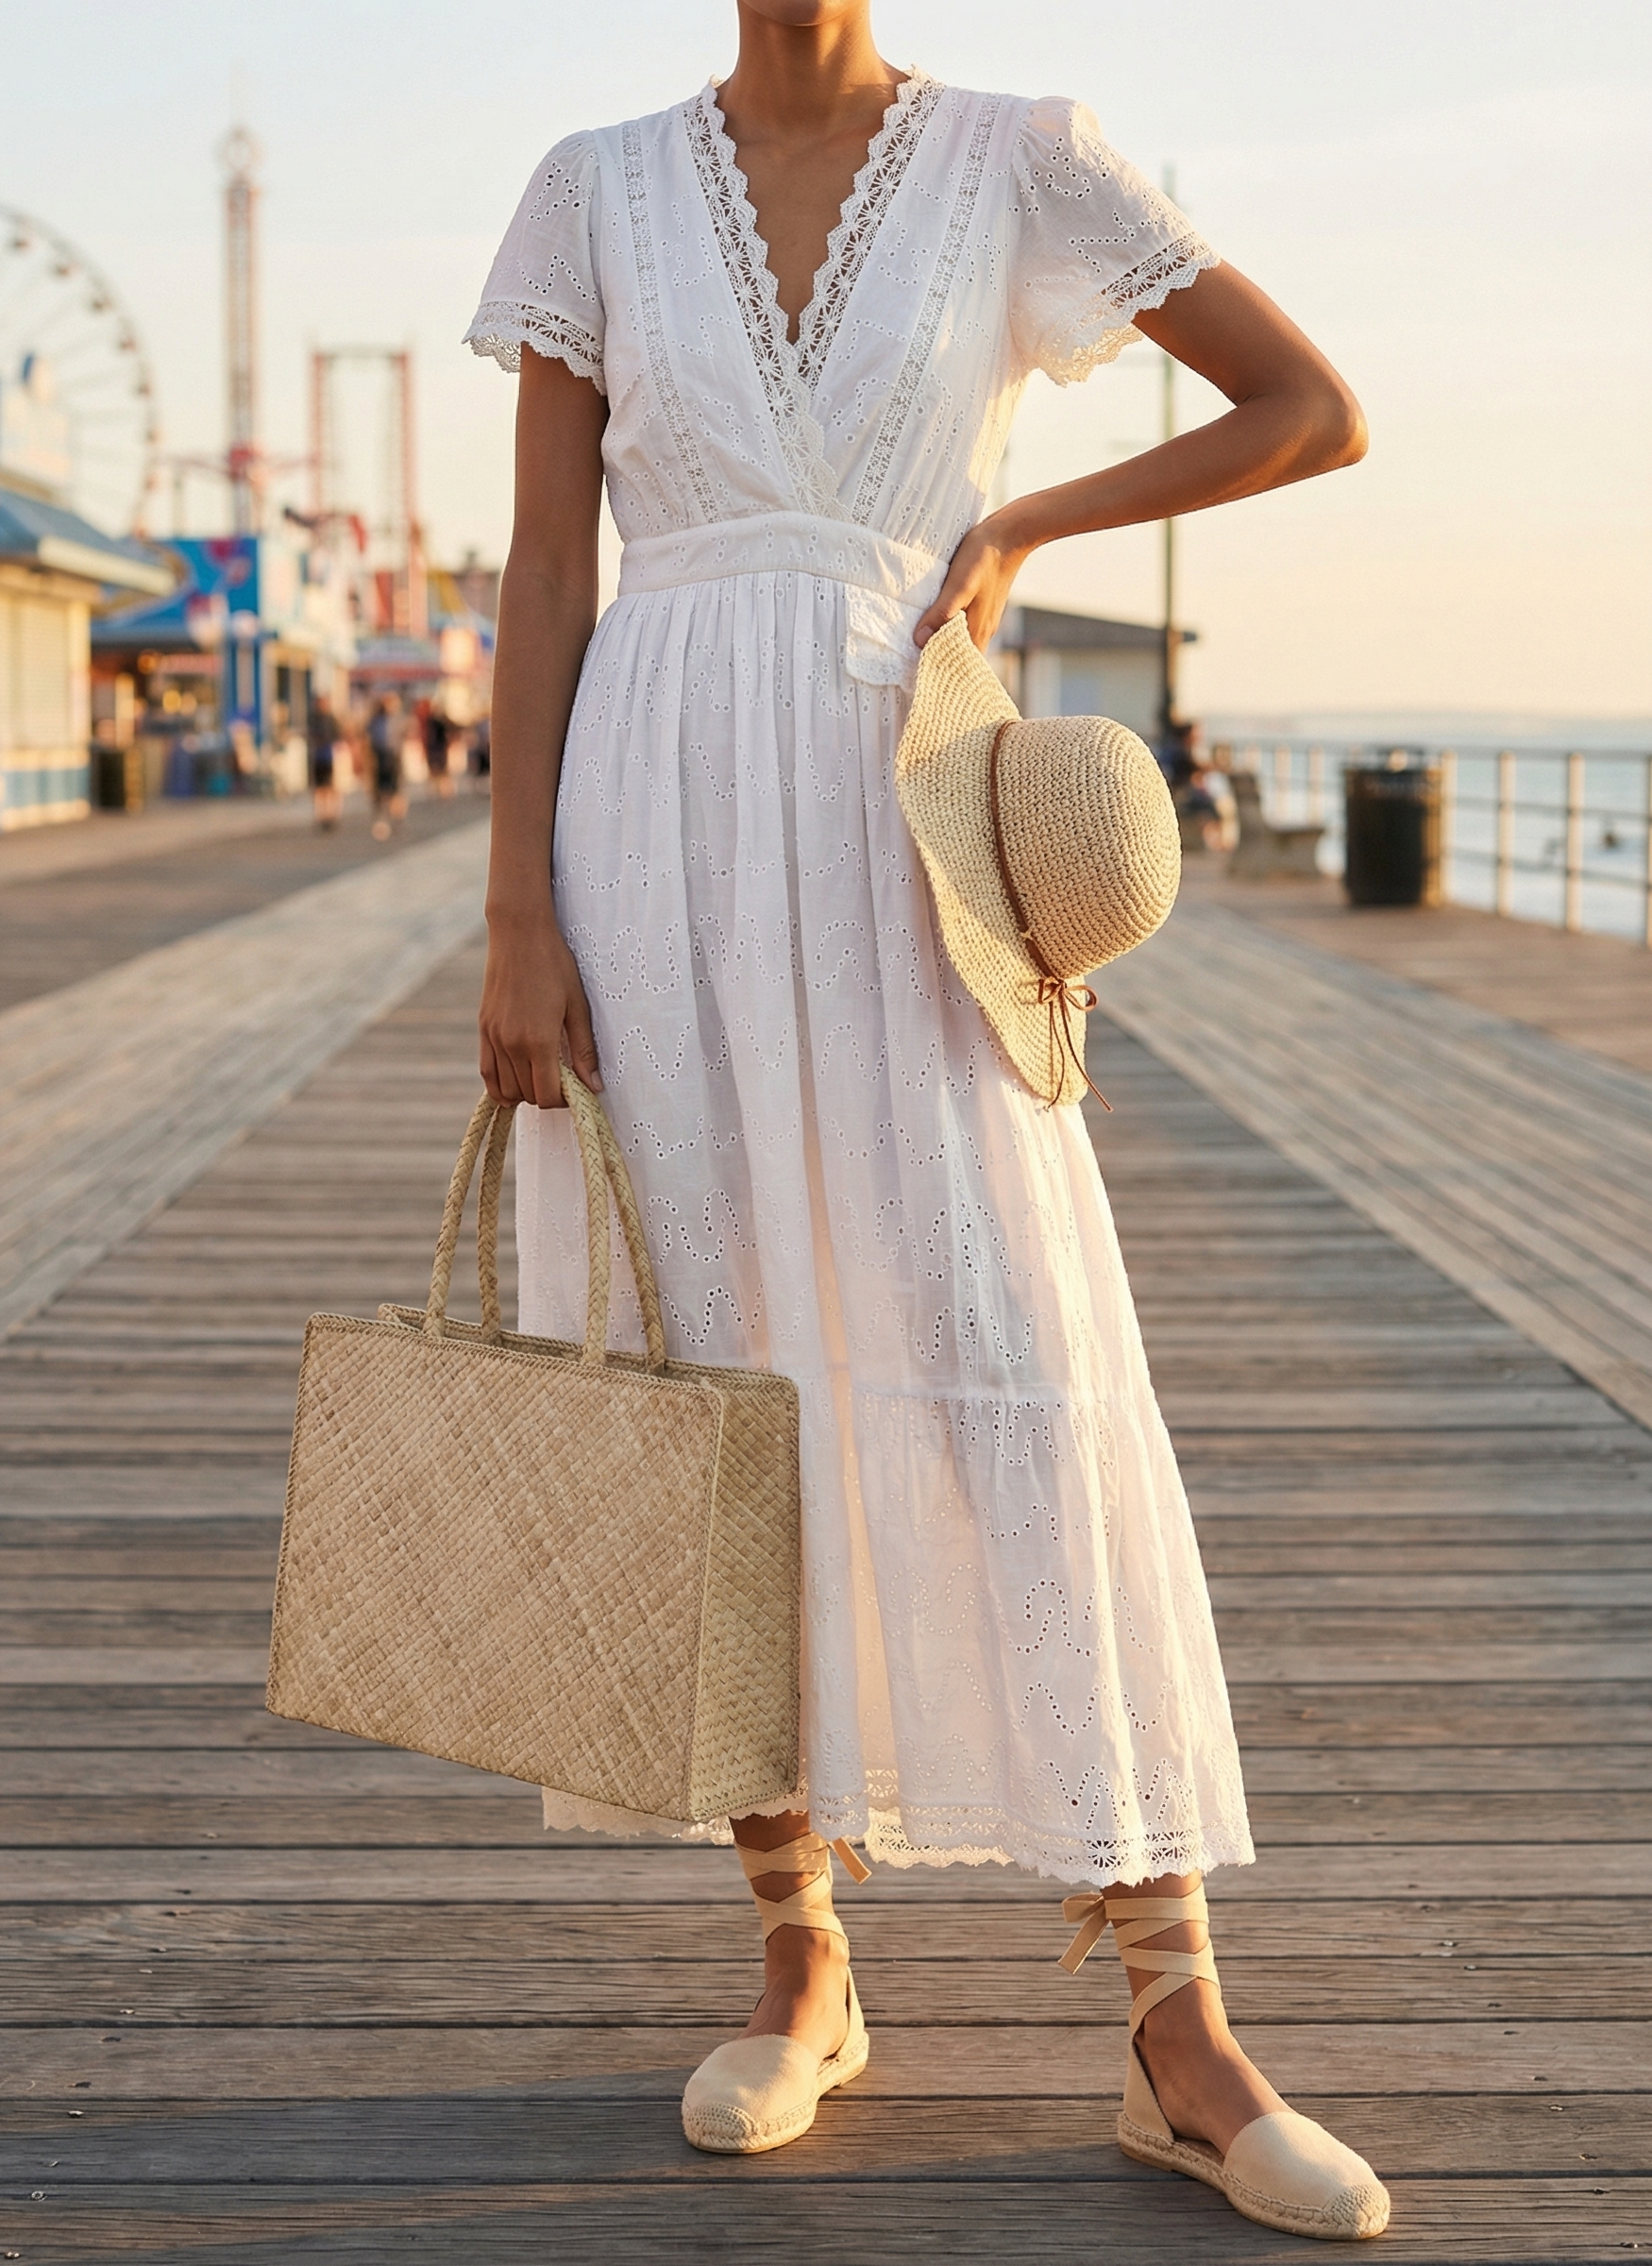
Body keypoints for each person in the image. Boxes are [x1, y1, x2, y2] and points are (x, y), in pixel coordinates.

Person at [467, 2, 1382, 2238]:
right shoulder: (592, 182)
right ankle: (802, 1949)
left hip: (905, 824)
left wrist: (1025, 519)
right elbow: (548, 573)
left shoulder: (1017, 153)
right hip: (646, 830)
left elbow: (1309, 407)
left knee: (1023, 1368)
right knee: (719, 1375)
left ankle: (1179, 2017)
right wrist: (509, 913)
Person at [366, 693, 408, 840]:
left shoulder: (400, 720)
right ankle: (382, 819)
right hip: (379, 759)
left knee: (396, 790)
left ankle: (397, 818)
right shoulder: (375, 721)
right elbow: (368, 740)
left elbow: (406, 737)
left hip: (394, 758)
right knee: (381, 792)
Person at [309, 694, 344, 830]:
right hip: (317, 758)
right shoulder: (313, 719)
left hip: (330, 758)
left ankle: (331, 814)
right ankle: (321, 815)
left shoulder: (331, 719)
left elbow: (338, 737)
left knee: (331, 788)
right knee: (319, 789)